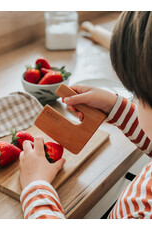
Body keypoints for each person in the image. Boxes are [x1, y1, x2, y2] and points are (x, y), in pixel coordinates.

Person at [19, 11, 152, 219]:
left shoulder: (143, 209)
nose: (136, 99)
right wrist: (112, 106)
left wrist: (36, 186)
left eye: (139, 95)